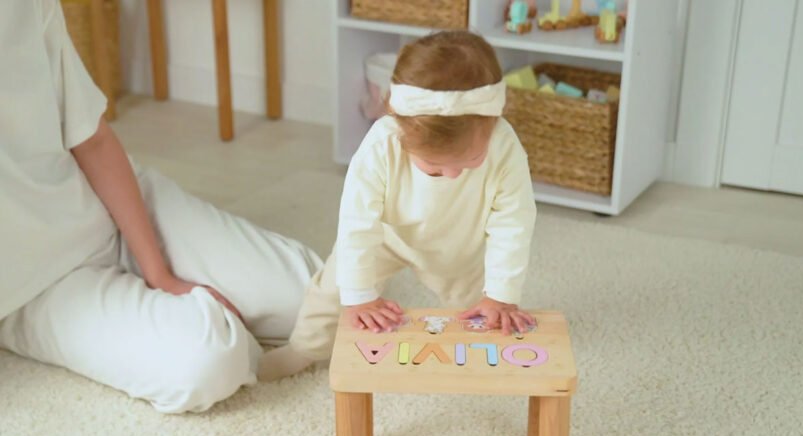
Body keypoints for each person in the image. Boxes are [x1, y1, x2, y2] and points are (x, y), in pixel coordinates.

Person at [0, 0, 322, 413]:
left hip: (108, 202)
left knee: (313, 296)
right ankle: (208, 330)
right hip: (37, 287)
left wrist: (159, 273)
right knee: (209, 363)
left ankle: (189, 307)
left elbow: (91, 139)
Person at [269, 31, 538, 375]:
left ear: (493, 119)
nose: (453, 174)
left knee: (483, 316)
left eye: (471, 159)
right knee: (332, 291)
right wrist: (360, 295)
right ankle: (304, 348)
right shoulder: (382, 144)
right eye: (434, 165)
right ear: (401, 128)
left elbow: (513, 224)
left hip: (461, 249)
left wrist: (501, 295)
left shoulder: (504, 145)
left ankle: (479, 358)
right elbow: (357, 224)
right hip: (386, 238)